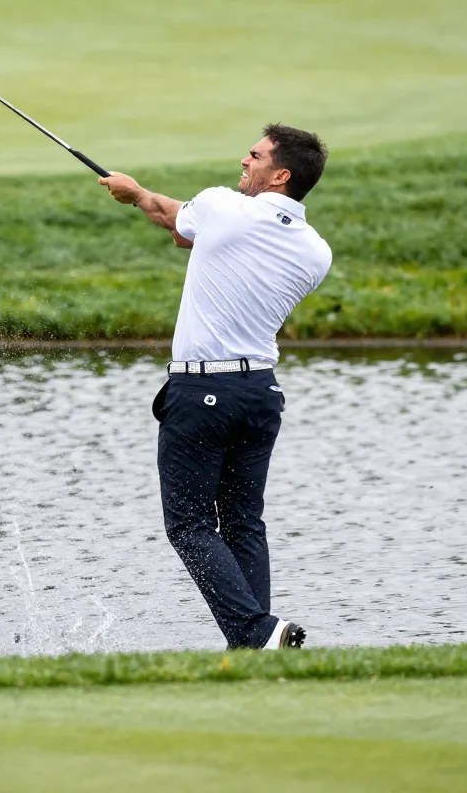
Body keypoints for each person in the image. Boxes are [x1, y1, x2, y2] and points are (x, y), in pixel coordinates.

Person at [99, 124, 332, 650]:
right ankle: (257, 648)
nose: (244, 161)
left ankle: (256, 631)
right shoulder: (316, 250)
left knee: (188, 524)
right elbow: (193, 234)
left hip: (202, 391)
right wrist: (150, 201)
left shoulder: (222, 206)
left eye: (255, 156)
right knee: (243, 523)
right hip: (260, 394)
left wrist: (134, 193)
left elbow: (172, 221)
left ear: (280, 175)